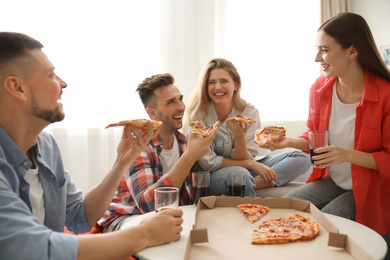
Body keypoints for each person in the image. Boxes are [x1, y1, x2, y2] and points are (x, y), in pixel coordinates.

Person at [0, 32, 184, 260]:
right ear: (17, 87)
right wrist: (144, 233)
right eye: (51, 75)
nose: (62, 84)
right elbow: (34, 246)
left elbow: (81, 217)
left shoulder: (46, 147)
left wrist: (122, 162)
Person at [272, 13, 390, 250]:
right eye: (317, 49)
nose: (317, 58)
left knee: (325, 226)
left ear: (352, 51)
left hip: (372, 188)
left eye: (324, 50)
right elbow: (316, 136)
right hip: (335, 180)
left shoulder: (386, 94)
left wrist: (346, 155)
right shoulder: (319, 89)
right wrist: (290, 142)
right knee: (280, 209)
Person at [98, 73, 217, 232]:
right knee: (154, 226)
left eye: (180, 99)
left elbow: (196, 191)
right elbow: (148, 206)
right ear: (152, 113)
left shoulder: (184, 142)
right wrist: (189, 158)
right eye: (171, 102)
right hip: (128, 218)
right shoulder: (139, 145)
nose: (181, 106)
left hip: (165, 218)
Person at [182, 58, 311, 198]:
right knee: (240, 174)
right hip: (211, 175)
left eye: (224, 81)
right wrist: (250, 164)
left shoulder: (249, 112)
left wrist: (240, 138)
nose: (217, 87)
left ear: (235, 84)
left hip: (244, 168)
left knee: (302, 156)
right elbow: (209, 163)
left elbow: (246, 158)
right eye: (211, 82)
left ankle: (253, 184)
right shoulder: (196, 118)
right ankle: (244, 184)